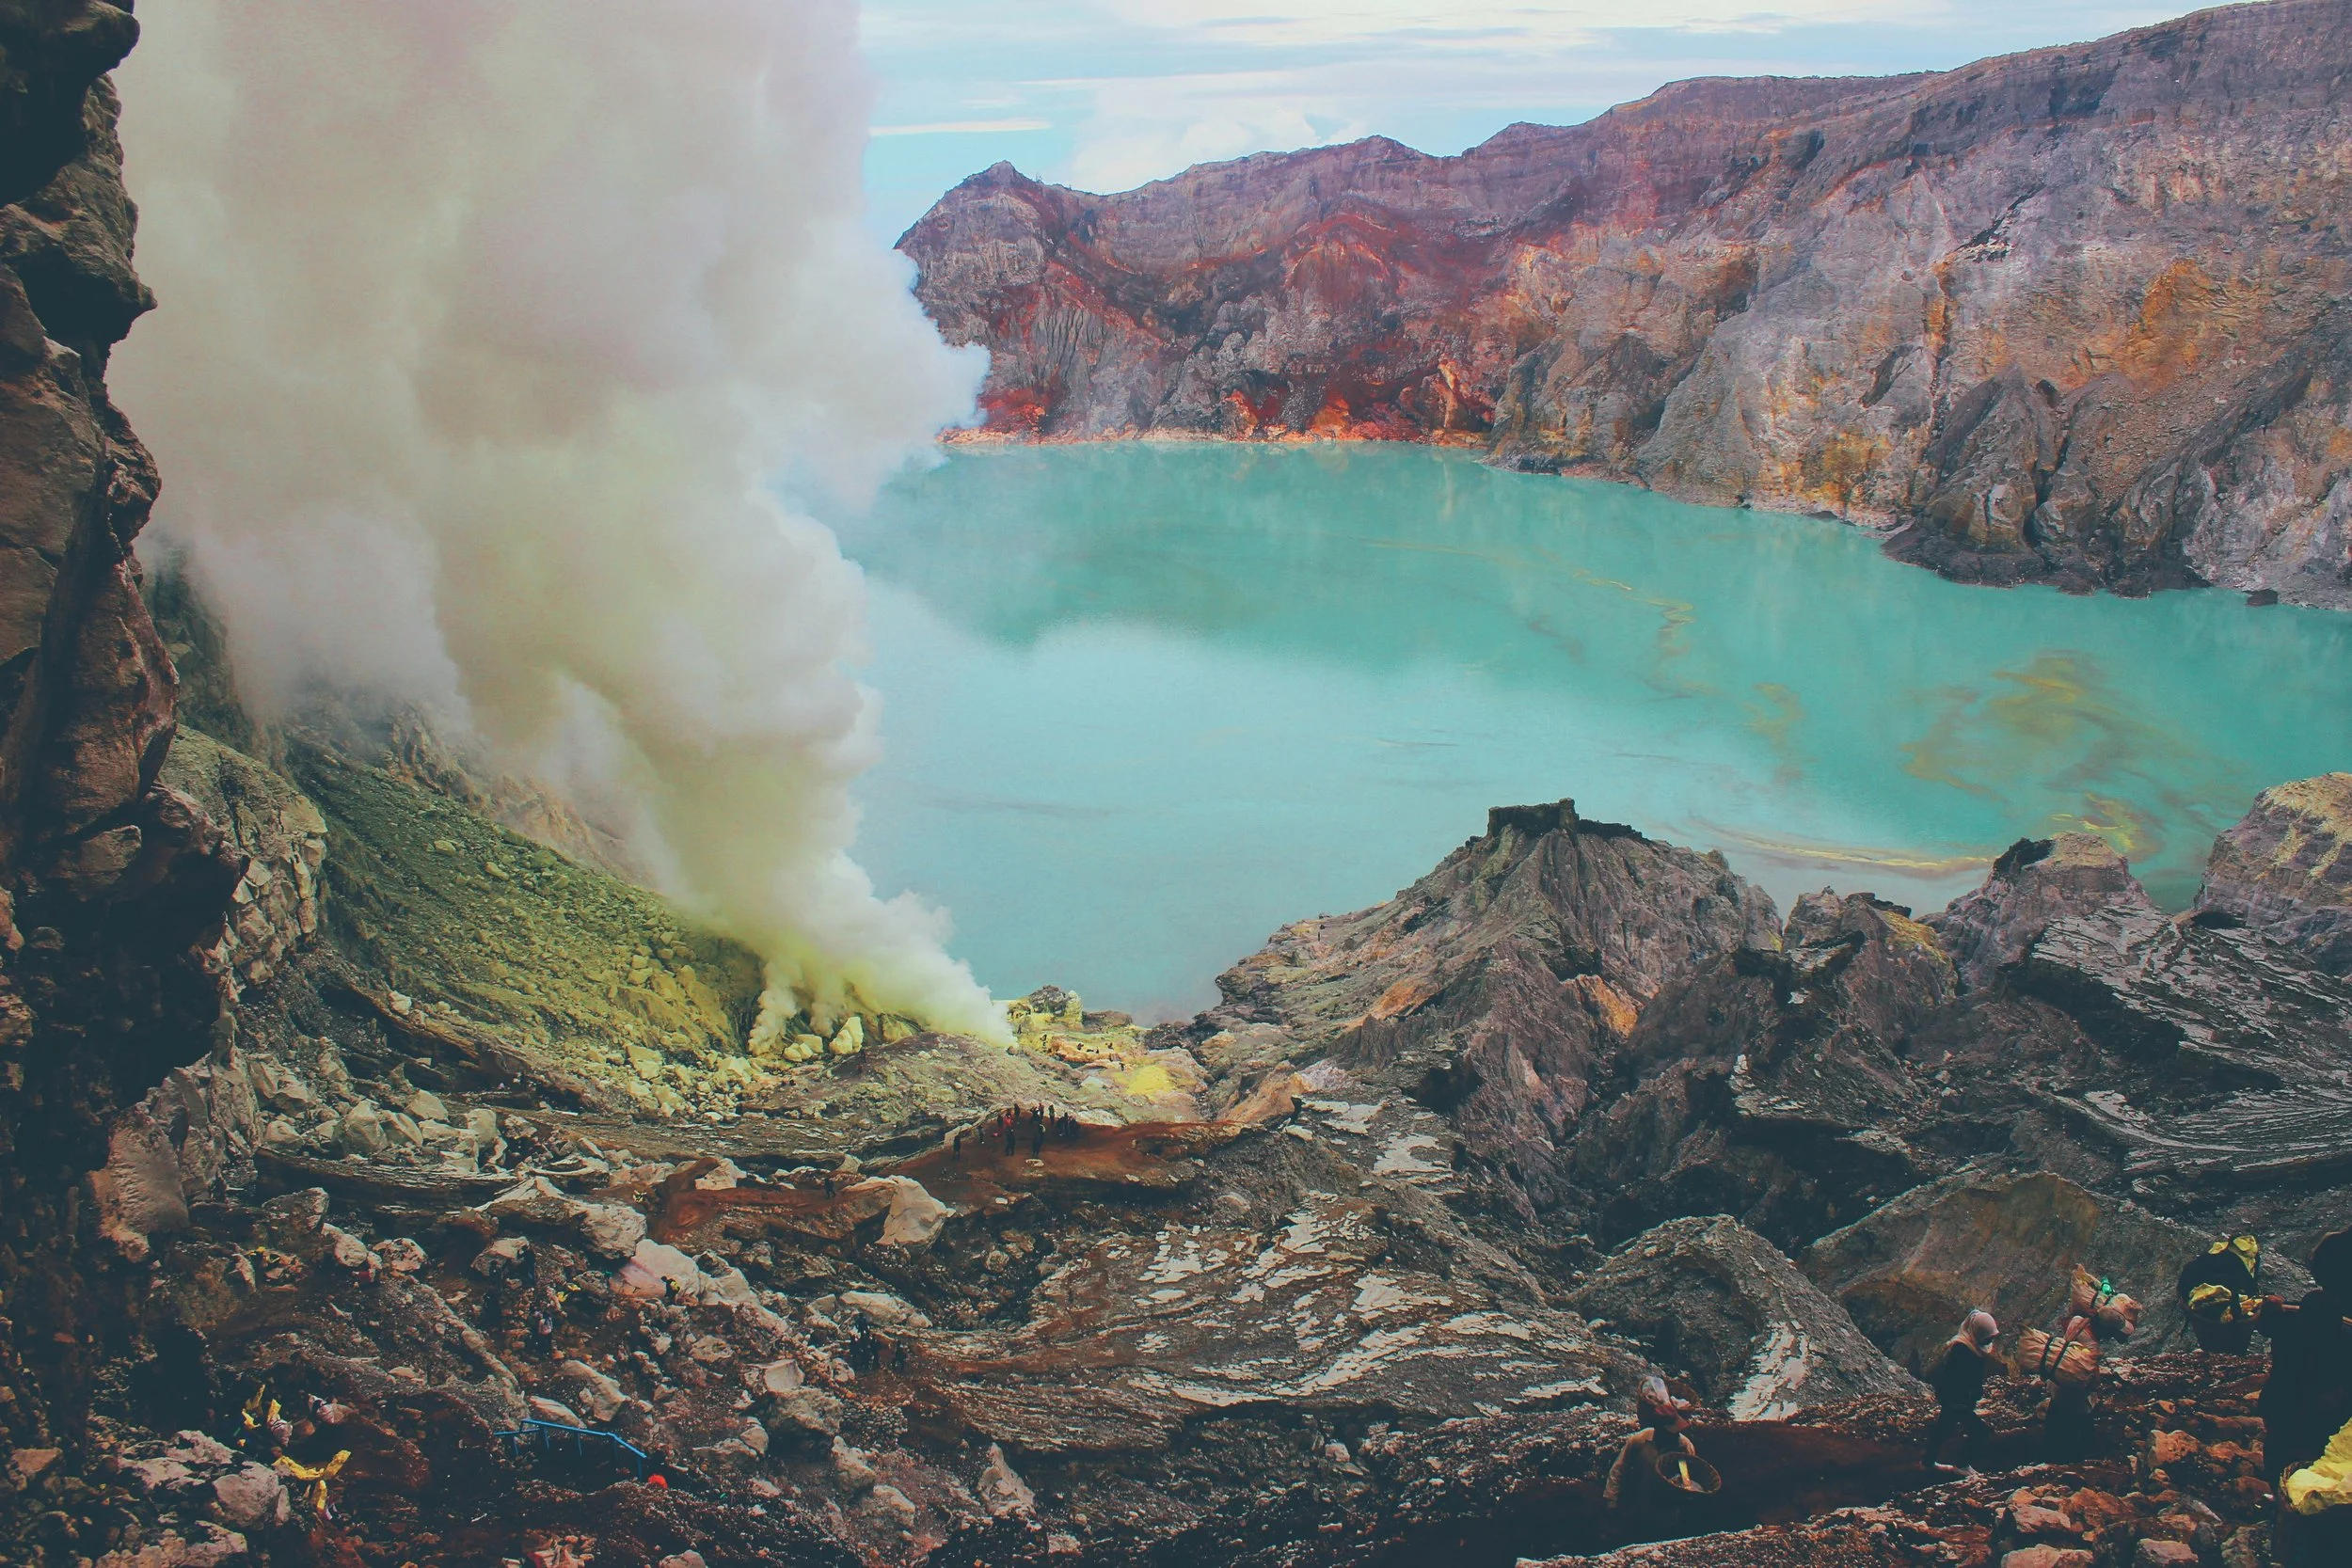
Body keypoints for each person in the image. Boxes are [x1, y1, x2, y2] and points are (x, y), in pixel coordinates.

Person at [2259, 1227, 2352, 1565]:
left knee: (2290, 1479)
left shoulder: (2291, 1330)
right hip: (2317, 1423)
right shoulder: (2342, 1340)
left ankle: (2291, 1534)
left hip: (2288, 1419)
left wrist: (2272, 1310)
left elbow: (2267, 1325)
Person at [1605, 1376, 1699, 1526]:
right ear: (1659, 1428)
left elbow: (1686, 1478)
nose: (1673, 1434)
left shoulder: (1683, 1447)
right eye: (1669, 1431)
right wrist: (1612, 1503)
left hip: (1666, 1514)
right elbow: (1618, 1471)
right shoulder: (1639, 1441)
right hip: (1637, 1508)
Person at [1923, 1309, 1999, 1472]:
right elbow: (1954, 1379)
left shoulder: (1969, 1346)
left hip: (1959, 1401)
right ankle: (1962, 1465)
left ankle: (1928, 1462)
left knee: (1944, 1429)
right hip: (1958, 1402)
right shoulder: (1962, 1350)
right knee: (1979, 1432)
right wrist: (1962, 1400)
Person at [2179, 1233, 2265, 1354]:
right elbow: (2249, 1285)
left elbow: (2184, 1285)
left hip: (2202, 1312)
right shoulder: (2237, 1262)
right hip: (2231, 1314)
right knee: (2234, 1345)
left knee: (2210, 1341)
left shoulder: (2210, 1258)